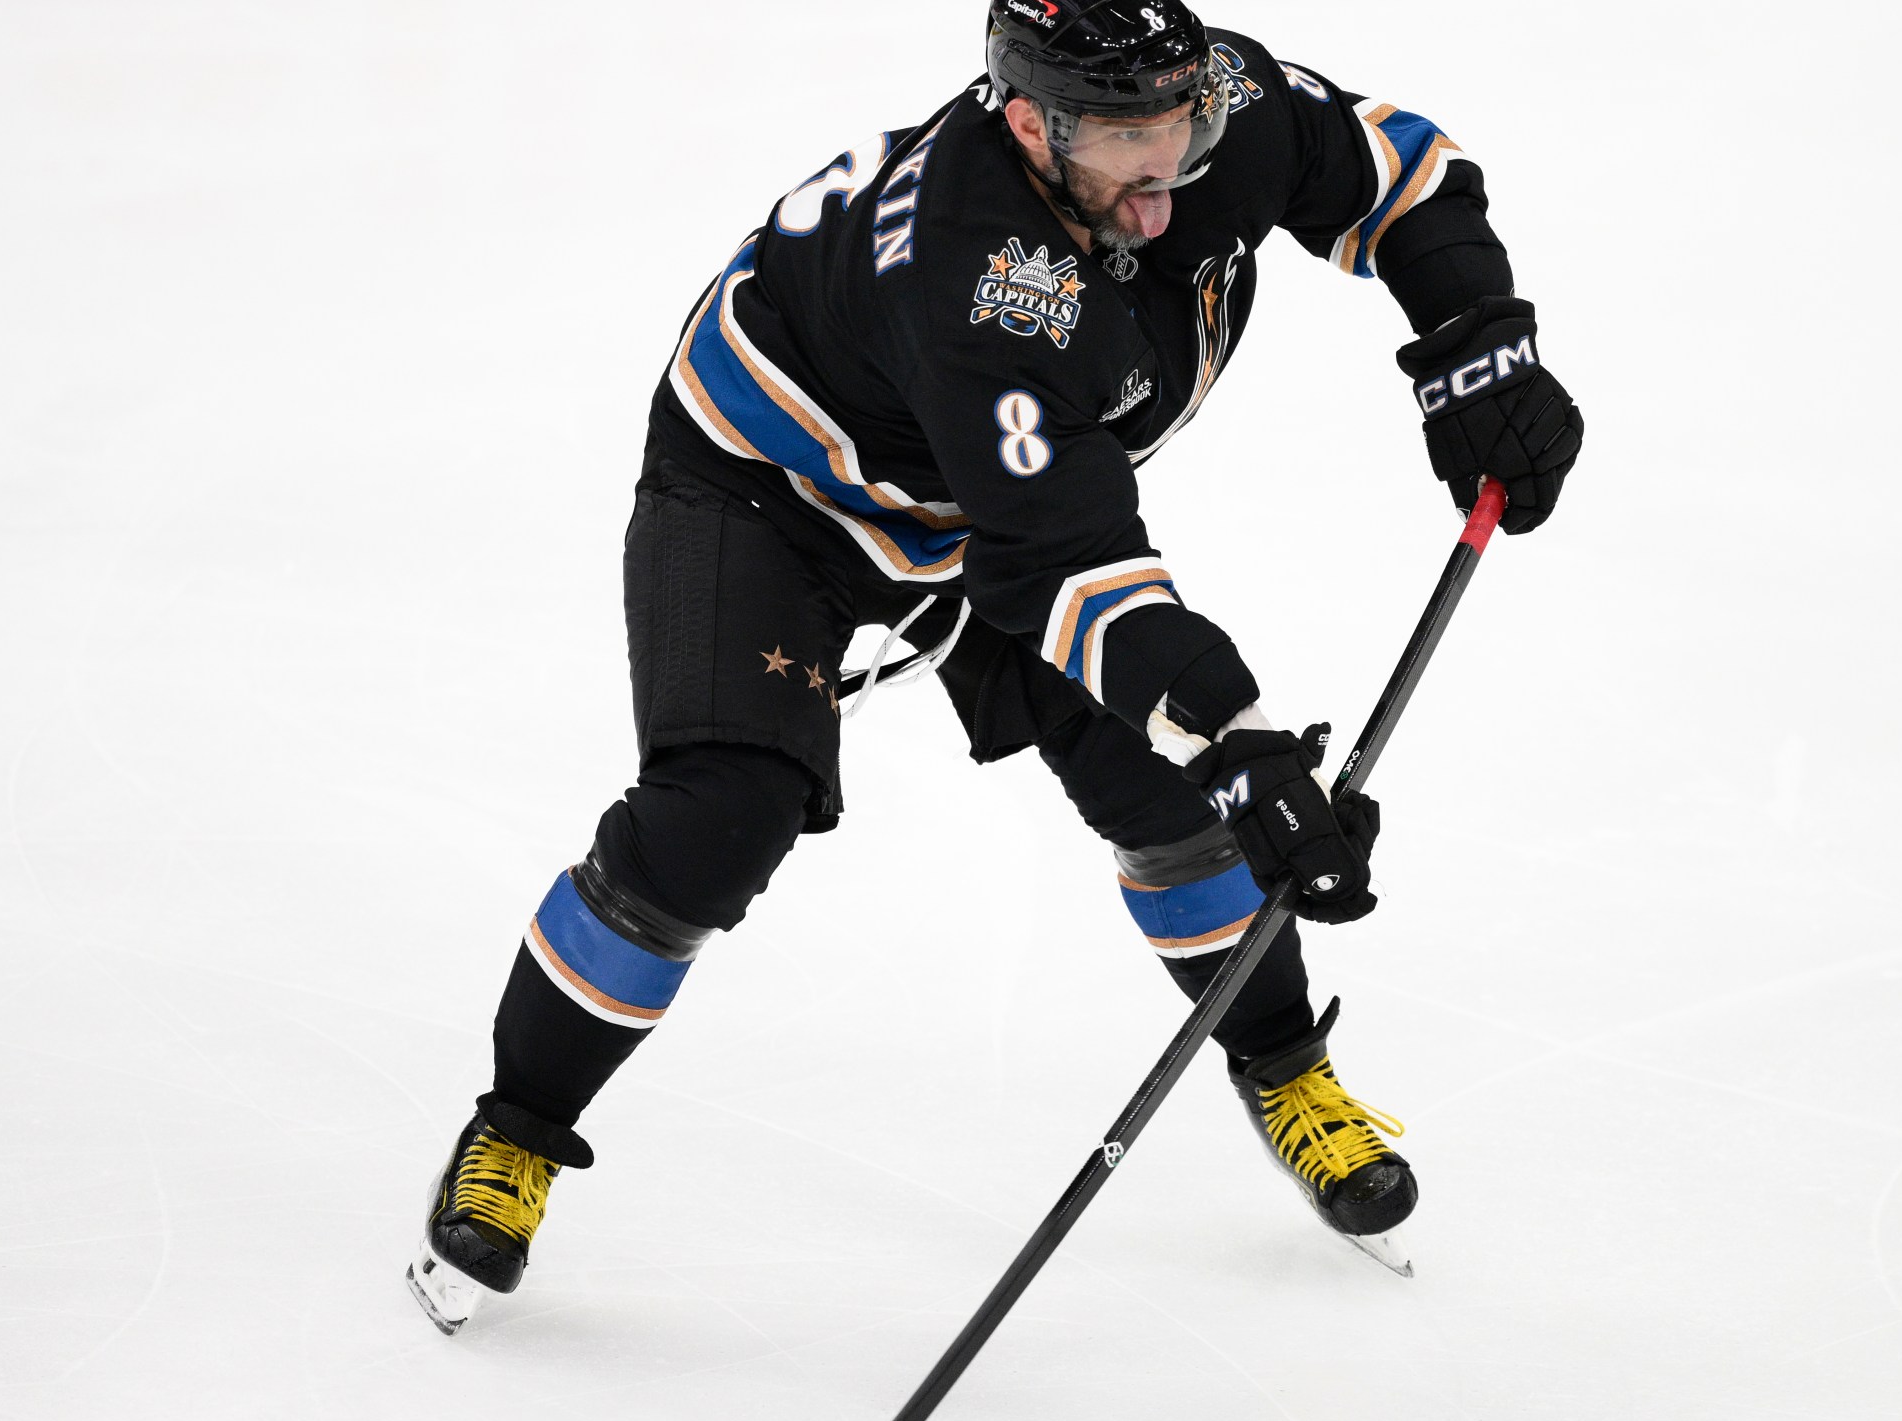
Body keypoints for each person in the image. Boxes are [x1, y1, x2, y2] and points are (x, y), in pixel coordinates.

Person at [406, 0, 1580, 1333]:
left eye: (1183, 135)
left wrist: (1476, 346)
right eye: (1128, 156)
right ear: (1028, 123)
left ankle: (1281, 1062)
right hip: (769, 494)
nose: (1164, 188)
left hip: (988, 501)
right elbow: (1066, 566)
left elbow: (1399, 172)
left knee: (1176, 803)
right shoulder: (984, 281)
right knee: (716, 819)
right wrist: (1245, 741)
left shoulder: (1217, 109)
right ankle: (516, 1128)